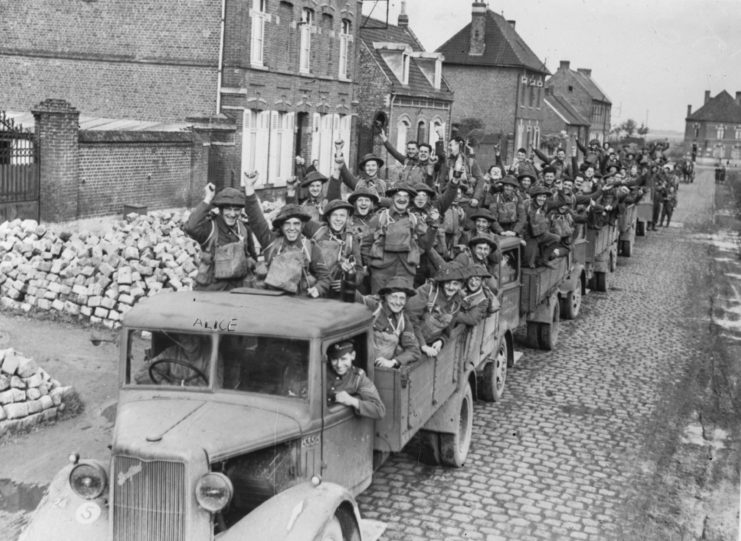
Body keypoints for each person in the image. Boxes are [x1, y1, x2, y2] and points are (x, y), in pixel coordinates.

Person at [242, 172, 330, 297]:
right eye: (287, 224)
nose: (292, 228)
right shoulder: (271, 242)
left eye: (296, 224)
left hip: (302, 303)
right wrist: (249, 188)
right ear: (281, 226)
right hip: (273, 302)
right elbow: (256, 220)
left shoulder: (311, 247)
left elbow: (325, 277)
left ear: (302, 226)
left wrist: (318, 289)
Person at [184, 184, 258, 291]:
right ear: (220, 209)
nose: (232, 214)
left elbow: (252, 256)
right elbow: (191, 227)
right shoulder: (210, 228)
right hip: (212, 291)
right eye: (228, 209)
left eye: (236, 209)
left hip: (238, 289)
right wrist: (208, 198)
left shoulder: (244, 229)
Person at [364, 182, 427, 293]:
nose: (402, 199)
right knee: (378, 303)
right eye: (398, 196)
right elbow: (366, 243)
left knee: (403, 303)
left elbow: (424, 245)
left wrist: (414, 254)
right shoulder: (379, 218)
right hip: (381, 272)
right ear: (392, 198)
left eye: (405, 196)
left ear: (410, 200)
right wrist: (370, 265)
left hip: (406, 271)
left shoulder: (415, 220)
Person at [360, 277, 421, 369]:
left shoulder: (403, 320)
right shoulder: (374, 307)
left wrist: (393, 362)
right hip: (361, 365)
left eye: (402, 298)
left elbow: (414, 350)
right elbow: (355, 296)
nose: (397, 302)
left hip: (381, 369)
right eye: (394, 297)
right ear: (386, 296)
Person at [406, 262, 465, 357]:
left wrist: (441, 340)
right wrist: (423, 345)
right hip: (409, 340)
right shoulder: (427, 291)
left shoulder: (456, 303)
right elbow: (410, 318)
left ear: (460, 286)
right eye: (448, 283)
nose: (451, 287)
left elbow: (448, 331)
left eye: (455, 284)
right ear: (442, 282)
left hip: (429, 344)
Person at [326, 341, 386, 419]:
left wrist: (352, 401)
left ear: (353, 356)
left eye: (343, 359)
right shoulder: (322, 372)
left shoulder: (358, 378)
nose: (339, 365)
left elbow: (379, 410)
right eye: (334, 359)